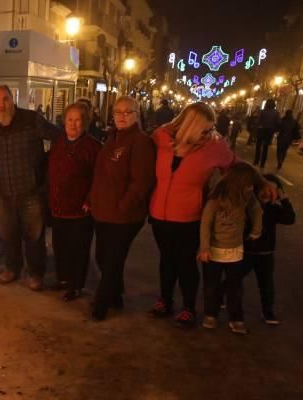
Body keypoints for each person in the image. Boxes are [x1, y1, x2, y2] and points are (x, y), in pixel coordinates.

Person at [147, 102, 235, 328]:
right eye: (204, 129)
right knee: (166, 260)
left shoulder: (214, 145)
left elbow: (235, 166)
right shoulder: (161, 137)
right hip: (159, 213)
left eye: (210, 129)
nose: (208, 133)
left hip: (188, 216)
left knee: (185, 262)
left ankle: (188, 307)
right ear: (189, 125)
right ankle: (165, 300)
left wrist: (261, 183)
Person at [0, 84, 59, 291]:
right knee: (8, 235)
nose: (2, 104)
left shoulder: (31, 120)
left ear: (12, 98)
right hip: (3, 193)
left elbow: (59, 137)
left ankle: (35, 273)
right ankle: (12, 268)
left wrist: (46, 167)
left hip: (31, 191)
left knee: (34, 237)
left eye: (5, 99)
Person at [89, 95, 157, 321]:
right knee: (102, 257)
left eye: (128, 112)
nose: (122, 116)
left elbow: (141, 182)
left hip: (124, 216)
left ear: (137, 115)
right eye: (118, 112)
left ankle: (101, 304)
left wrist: (123, 206)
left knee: (112, 260)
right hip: (103, 212)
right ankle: (116, 295)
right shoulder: (112, 138)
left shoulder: (140, 142)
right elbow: (100, 175)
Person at [199, 162, 263, 335]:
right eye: (248, 183)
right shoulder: (217, 197)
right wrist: (204, 247)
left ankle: (236, 318)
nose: (250, 186)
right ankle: (210, 314)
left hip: (235, 251)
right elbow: (206, 223)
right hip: (214, 250)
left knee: (235, 287)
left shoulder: (246, 195)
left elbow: (256, 210)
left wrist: (257, 230)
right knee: (211, 285)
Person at [46, 102, 101, 301]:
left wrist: (90, 200)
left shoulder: (93, 147)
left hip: (80, 209)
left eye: (78, 120)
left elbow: (99, 177)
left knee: (78, 249)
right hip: (58, 207)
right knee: (60, 245)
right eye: (70, 119)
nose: (73, 124)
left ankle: (76, 285)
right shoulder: (58, 142)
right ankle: (63, 279)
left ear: (85, 122)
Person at [239, 173, 295, 325]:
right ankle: (220, 295)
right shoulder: (248, 207)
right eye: (264, 189)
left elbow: (290, 218)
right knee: (235, 278)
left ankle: (268, 311)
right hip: (247, 252)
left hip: (266, 253)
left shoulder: (274, 209)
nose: (267, 193)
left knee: (266, 285)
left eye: (273, 191)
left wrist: (284, 198)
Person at [253, 99, 280, 169]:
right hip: (270, 131)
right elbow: (278, 123)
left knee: (258, 146)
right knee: (265, 148)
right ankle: (262, 163)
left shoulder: (263, 112)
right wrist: (274, 129)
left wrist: (257, 127)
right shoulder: (276, 113)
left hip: (262, 130)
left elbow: (258, 121)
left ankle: (256, 161)